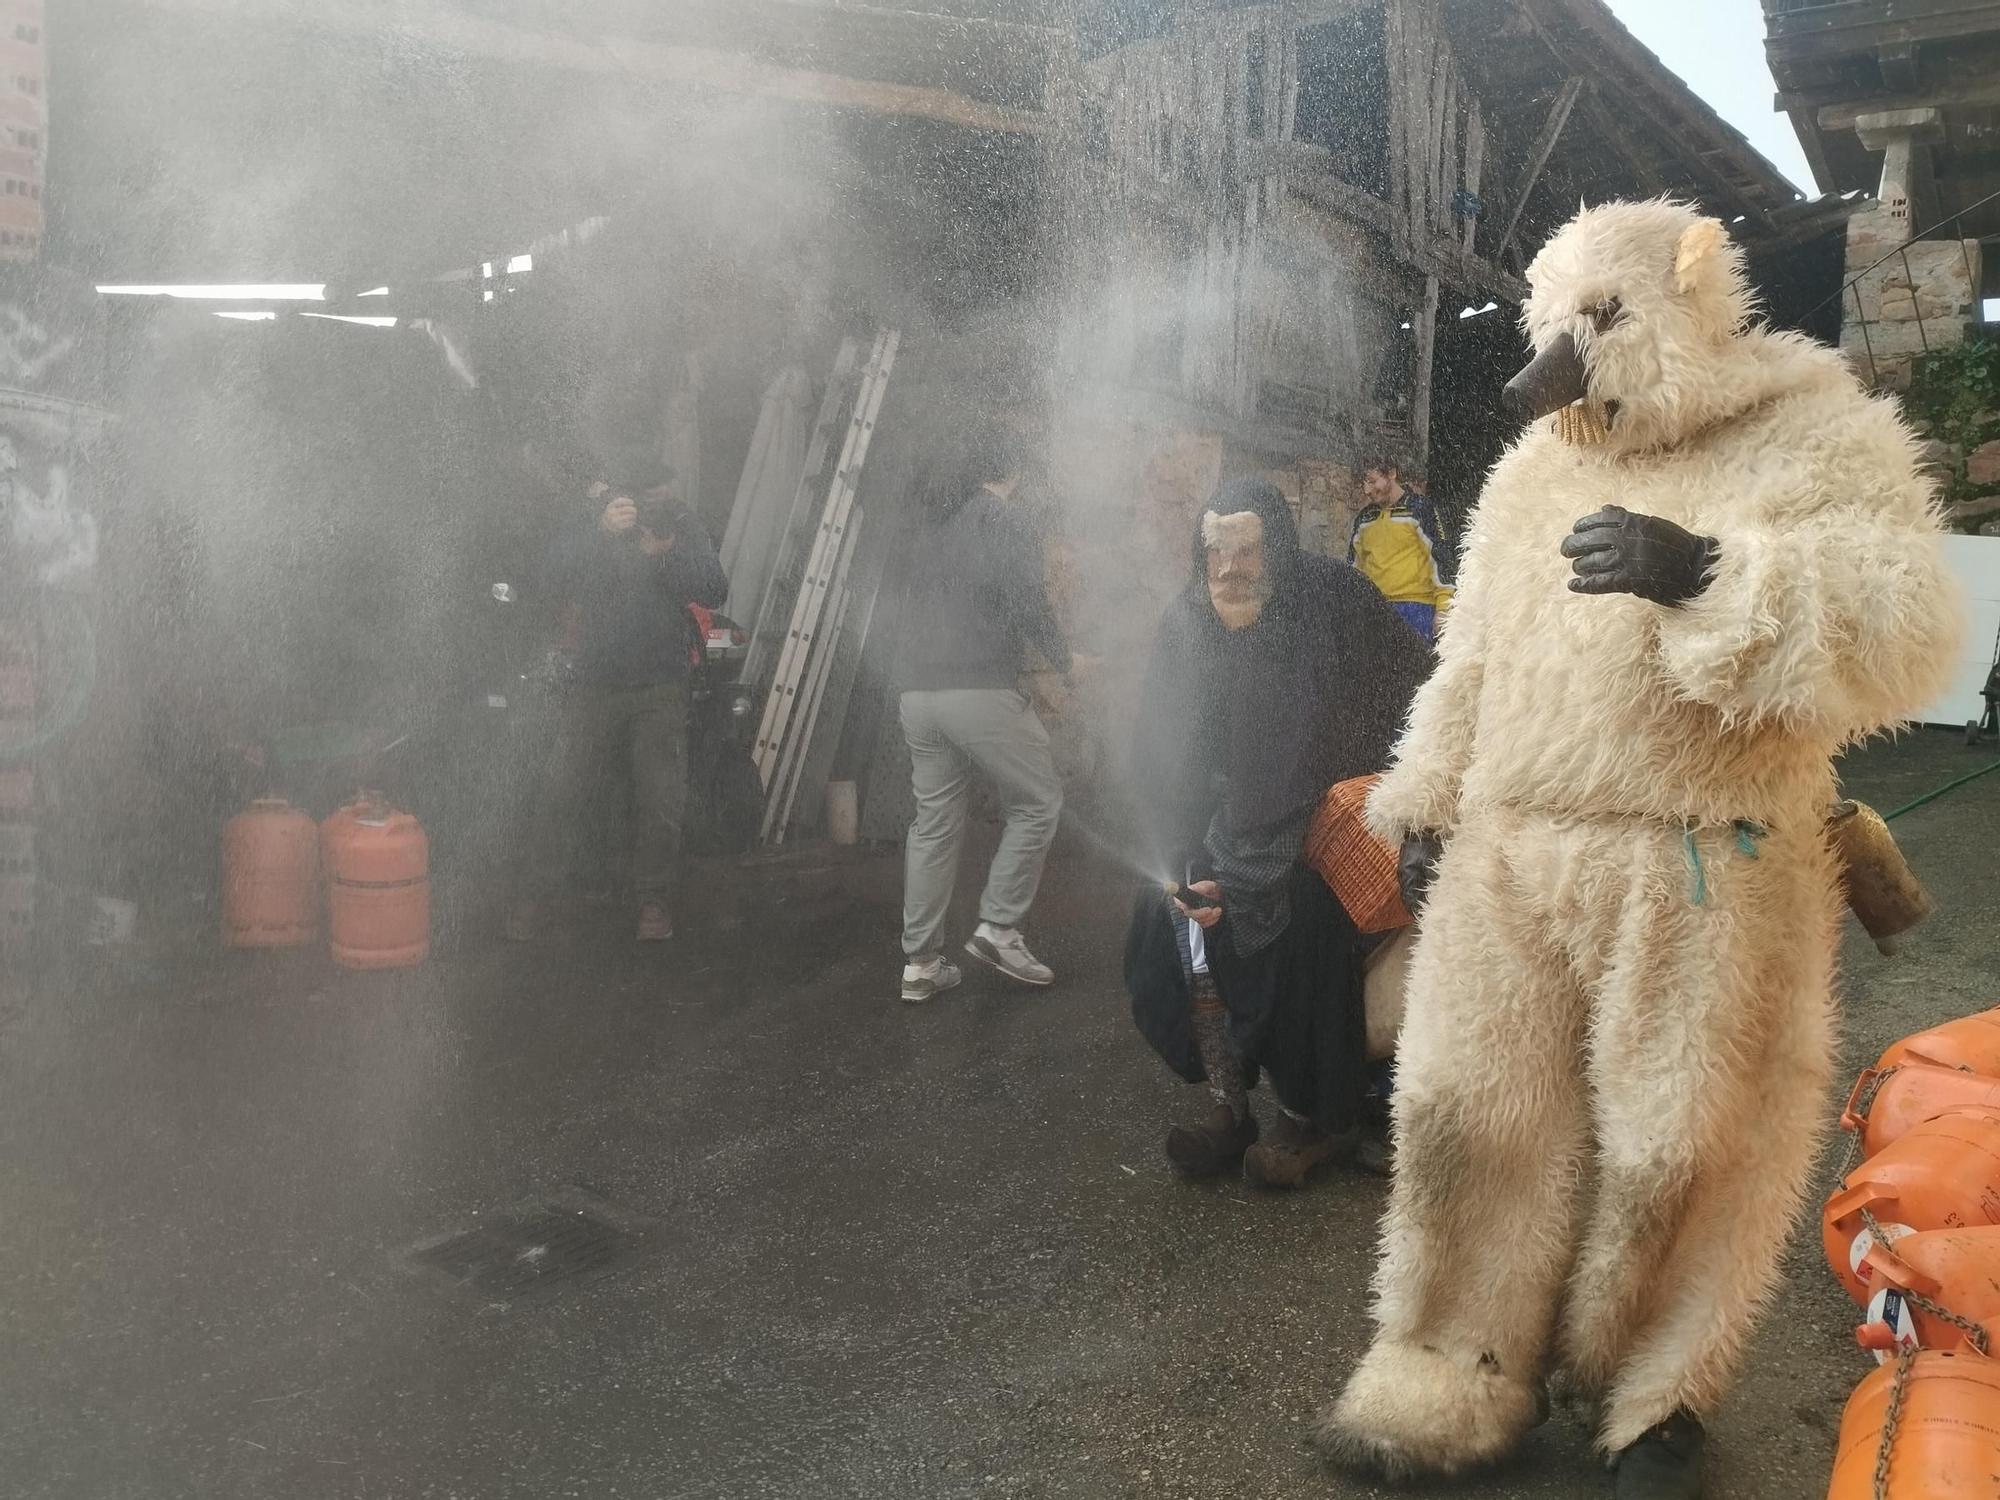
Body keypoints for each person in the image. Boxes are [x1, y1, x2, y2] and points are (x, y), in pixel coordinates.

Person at [1316, 200, 1961, 1500]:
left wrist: (1715, 574)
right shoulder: (1529, 474)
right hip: (1516, 847)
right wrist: (1431, 803)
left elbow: (1913, 618)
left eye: (1596, 323)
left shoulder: (1808, 420)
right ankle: (1445, 1374)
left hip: (1704, 855)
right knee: (1460, 1117)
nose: (1556, 361)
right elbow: (1475, 654)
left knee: (1684, 1141)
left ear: (1687, 296)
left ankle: (1648, 1396)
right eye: (1548, 328)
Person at [1123, 478, 1431, 1187]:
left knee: (1303, 934)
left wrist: (1414, 793)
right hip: (1231, 825)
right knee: (1178, 929)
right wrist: (1176, 857)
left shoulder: (1332, 600)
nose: (1231, 567)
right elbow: (1165, 751)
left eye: (1248, 550)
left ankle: (1321, 1119)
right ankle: (1230, 1109)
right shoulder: (1187, 624)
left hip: (1323, 823)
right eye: (1217, 552)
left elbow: (1419, 687)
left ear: (1279, 550)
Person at [507, 465, 726, 943]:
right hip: (595, 683)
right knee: (561, 791)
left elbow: (713, 587)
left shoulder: (680, 523)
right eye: (643, 492)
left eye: (660, 489)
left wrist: (667, 552)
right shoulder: (594, 522)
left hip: (660, 685)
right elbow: (550, 579)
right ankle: (537, 894)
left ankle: (653, 900)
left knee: (661, 798)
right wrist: (601, 533)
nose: (651, 501)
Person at [894, 422, 1071, 1003]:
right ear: (1014, 472)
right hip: (979, 689)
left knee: (934, 823)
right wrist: (1065, 661)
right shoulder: (1003, 519)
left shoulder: (931, 521)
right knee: (1038, 800)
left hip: (918, 695)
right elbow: (1025, 599)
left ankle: (920, 964)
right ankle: (1000, 927)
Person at [1347, 457, 1454, 643]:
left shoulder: (1420, 509)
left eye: (1372, 481)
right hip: (1374, 610)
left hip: (1417, 609)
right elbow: (1353, 571)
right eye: (1363, 484)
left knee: (1415, 670)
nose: (1367, 491)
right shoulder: (1364, 519)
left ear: (1392, 473)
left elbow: (1442, 557)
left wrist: (1444, 607)